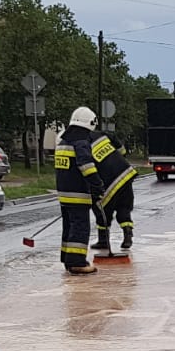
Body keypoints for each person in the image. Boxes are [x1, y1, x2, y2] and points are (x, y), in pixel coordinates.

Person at [54, 106, 107, 275]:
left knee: (69, 227)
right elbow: (87, 166)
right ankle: (77, 262)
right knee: (80, 227)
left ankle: (67, 259)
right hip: (78, 194)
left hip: (64, 194)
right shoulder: (81, 143)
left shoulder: (63, 142)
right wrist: (97, 185)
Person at [85, 125, 137, 253]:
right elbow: (115, 139)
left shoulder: (82, 146)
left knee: (101, 207)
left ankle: (103, 240)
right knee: (123, 206)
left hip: (110, 181)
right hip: (125, 173)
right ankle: (128, 234)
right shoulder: (99, 134)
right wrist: (121, 155)